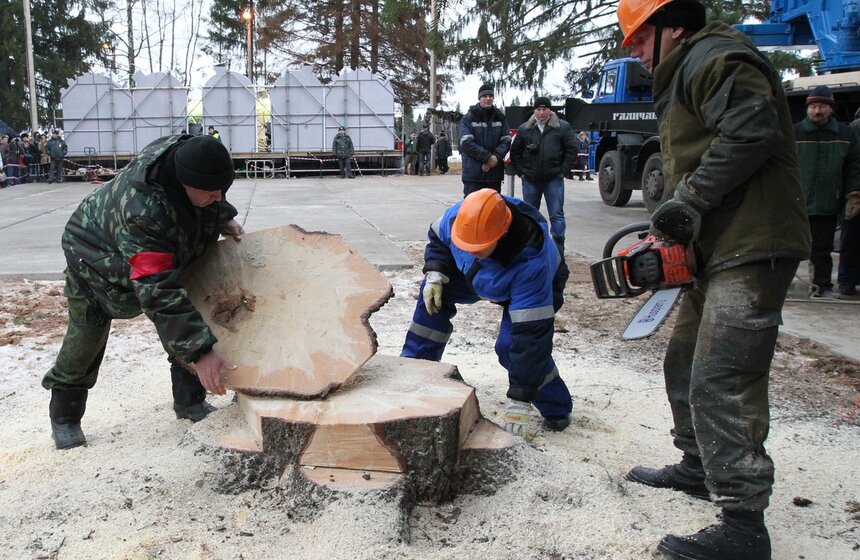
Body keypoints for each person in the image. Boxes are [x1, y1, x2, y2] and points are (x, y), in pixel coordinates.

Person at [617, 1, 811, 558]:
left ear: (672, 25)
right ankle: (699, 465)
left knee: (723, 375)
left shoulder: (717, 58)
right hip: (716, 244)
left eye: (637, 38)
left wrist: (690, 201)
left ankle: (745, 524)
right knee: (683, 359)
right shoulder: (688, 68)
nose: (632, 51)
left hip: (754, 242)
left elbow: (751, 132)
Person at [42, 134, 243, 450]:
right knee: (86, 337)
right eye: (210, 193)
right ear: (183, 182)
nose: (218, 196)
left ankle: (190, 402)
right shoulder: (142, 212)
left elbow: (207, 185)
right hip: (92, 258)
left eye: (223, 191)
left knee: (187, 317)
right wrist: (201, 354)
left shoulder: (184, 156)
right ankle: (65, 416)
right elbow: (158, 291)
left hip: (142, 249)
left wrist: (222, 215)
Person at [400, 188, 572, 439]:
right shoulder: (460, 217)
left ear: (501, 236)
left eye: (477, 247)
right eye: (464, 244)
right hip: (477, 274)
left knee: (511, 346)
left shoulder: (533, 264)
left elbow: (531, 338)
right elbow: (439, 238)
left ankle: (556, 407)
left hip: (526, 284)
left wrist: (519, 400)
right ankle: (416, 369)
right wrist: (436, 270)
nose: (468, 251)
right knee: (432, 297)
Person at [793, 85, 860, 299]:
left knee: (822, 248)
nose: (816, 111)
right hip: (796, 202)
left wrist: (854, 194)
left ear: (831, 108)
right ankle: (778, 287)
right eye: (812, 106)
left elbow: (854, 167)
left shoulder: (846, 134)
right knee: (789, 247)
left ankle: (821, 287)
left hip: (827, 201)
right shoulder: (794, 133)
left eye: (821, 106)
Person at [510, 96, 577, 252]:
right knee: (531, 213)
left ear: (550, 110)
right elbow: (515, 152)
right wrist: (521, 172)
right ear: (534, 111)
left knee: (557, 214)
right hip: (531, 179)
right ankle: (534, 244)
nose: (541, 113)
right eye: (538, 109)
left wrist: (563, 170)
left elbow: (571, 150)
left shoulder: (562, 127)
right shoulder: (524, 129)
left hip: (554, 178)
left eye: (544, 109)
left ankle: (559, 245)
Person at [459, 83, 512, 197]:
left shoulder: (500, 117)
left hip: (494, 175)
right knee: (472, 211)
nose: (488, 99)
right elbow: (466, 143)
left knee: (493, 209)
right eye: (485, 96)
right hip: (473, 175)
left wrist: (495, 157)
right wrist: (487, 158)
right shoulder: (469, 118)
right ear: (479, 98)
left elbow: (506, 141)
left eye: (490, 96)